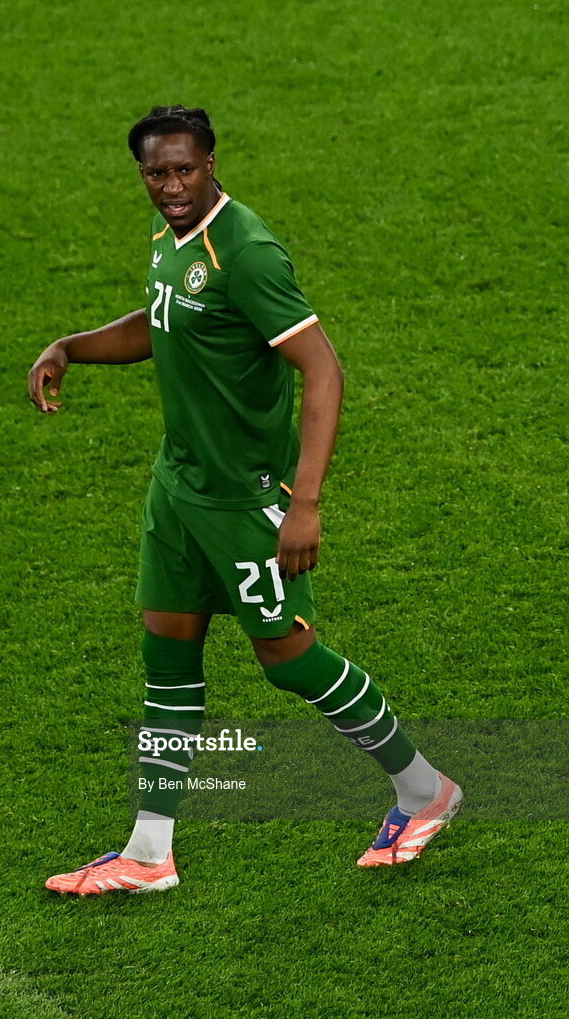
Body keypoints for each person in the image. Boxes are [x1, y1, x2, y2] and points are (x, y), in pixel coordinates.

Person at [29, 106, 462, 895]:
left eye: (184, 170)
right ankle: (149, 852)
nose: (171, 186)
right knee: (167, 653)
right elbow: (163, 324)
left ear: (211, 161)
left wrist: (306, 502)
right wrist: (73, 347)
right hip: (180, 487)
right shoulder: (173, 238)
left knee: (289, 662)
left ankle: (424, 789)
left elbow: (322, 369)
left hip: (245, 502)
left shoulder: (248, 252)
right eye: (156, 173)